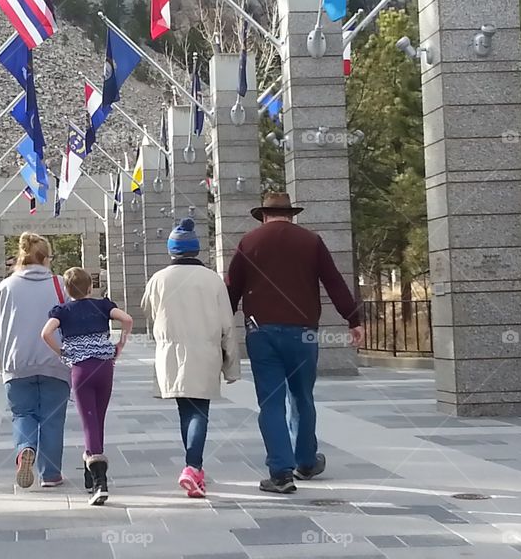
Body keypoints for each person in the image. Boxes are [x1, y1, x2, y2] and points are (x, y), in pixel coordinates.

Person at [226, 192, 364, 495]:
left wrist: (220, 328)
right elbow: (334, 282)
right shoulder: (311, 241)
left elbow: (231, 290)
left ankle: (280, 473)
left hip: (261, 333)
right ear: (291, 215)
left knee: (271, 402)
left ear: (263, 215)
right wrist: (353, 318)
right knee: (302, 397)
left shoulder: (249, 242)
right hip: (303, 333)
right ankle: (305, 462)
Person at [141, 218, 241, 499]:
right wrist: (232, 367)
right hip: (205, 353)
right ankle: (193, 466)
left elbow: (148, 313)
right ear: (196, 250)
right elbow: (227, 325)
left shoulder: (158, 279)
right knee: (199, 412)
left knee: (186, 411)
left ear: (172, 250)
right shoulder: (212, 280)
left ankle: (193, 468)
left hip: (170, 354)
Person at [0, 233, 71, 489]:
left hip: (16, 363)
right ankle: (51, 475)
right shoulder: (60, 285)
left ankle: (25, 449)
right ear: (45, 258)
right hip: (55, 361)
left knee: (23, 413)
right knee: (53, 419)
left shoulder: (5, 287)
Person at [41, 268, 133, 505]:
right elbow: (127, 319)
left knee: (89, 421)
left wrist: (61, 351)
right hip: (104, 368)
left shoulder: (62, 311)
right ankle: (89, 473)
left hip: (81, 370)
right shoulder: (102, 306)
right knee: (98, 420)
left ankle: (100, 481)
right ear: (90, 287)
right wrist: (120, 345)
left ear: (66, 290)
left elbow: (46, 333)